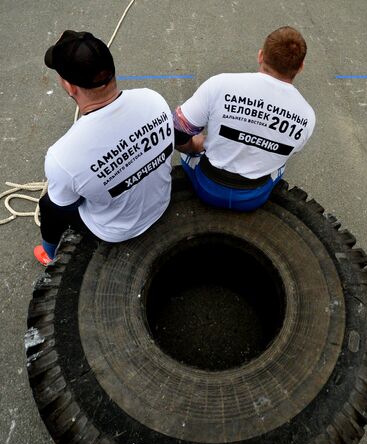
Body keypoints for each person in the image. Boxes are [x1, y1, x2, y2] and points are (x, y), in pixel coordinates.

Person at [35, 30, 174, 266]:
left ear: (69, 86)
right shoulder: (153, 99)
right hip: (162, 203)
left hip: (116, 230)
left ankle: (50, 254)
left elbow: (65, 205)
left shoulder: (62, 156)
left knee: (49, 206)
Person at [173, 26, 315, 211]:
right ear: (301, 67)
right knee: (279, 165)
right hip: (253, 197)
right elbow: (286, 153)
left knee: (187, 145)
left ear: (261, 56)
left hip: (208, 187)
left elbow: (176, 132)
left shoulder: (221, 84)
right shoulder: (307, 116)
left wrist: (197, 145)